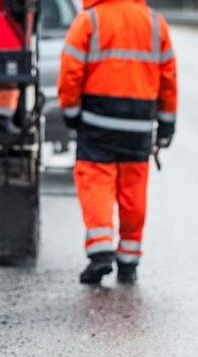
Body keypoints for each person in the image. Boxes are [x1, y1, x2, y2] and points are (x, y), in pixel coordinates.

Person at [58, 0, 178, 284]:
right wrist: (166, 125)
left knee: (96, 181)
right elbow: (168, 78)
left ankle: (100, 252)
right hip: (138, 125)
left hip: (97, 122)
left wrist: (71, 113)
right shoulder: (154, 23)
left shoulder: (90, 21)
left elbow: (71, 70)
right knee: (133, 189)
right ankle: (128, 260)